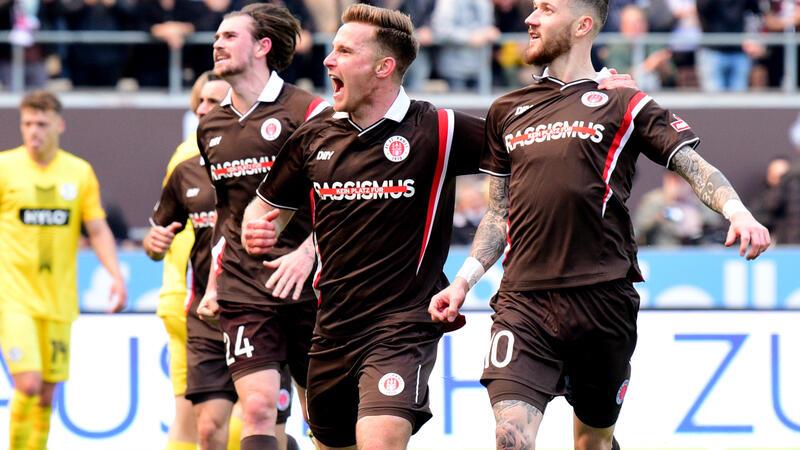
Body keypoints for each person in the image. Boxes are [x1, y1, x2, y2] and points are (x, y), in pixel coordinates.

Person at [240, 4, 636, 448]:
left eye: (344, 51)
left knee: (381, 437)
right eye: (332, 50)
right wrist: (257, 230)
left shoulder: (439, 129)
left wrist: (596, 98)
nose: (328, 61)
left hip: (402, 325)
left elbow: (539, 139)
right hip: (331, 327)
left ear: (383, 67)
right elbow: (262, 211)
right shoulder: (313, 138)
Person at [428, 0, 771, 448]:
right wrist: (463, 283)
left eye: (545, 9)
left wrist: (737, 212)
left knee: (592, 441)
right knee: (510, 437)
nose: (529, 19)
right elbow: (498, 211)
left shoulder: (623, 100)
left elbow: (691, 164)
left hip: (602, 299)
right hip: (523, 299)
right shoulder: (506, 109)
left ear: (582, 25)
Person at [195, 4, 328, 450]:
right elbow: (225, 213)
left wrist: (306, 252)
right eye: (217, 36)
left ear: (262, 46)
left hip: (309, 283)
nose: (217, 43)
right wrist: (214, 282)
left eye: (230, 36)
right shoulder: (210, 126)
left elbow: (343, 202)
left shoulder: (307, 111)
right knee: (256, 408)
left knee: (325, 418)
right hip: (244, 285)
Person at [144, 73, 301, 450]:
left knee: (262, 415)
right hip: (204, 312)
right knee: (207, 425)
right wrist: (156, 242)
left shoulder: (268, 164)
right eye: (199, 102)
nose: (203, 110)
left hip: (264, 305)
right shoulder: (185, 167)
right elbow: (157, 237)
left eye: (214, 102)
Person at [0, 90, 128, 450]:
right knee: (27, 383)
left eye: (41, 124)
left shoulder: (78, 172)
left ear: (59, 124)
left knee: (43, 394)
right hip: (13, 300)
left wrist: (116, 275)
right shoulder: (5, 168)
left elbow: (97, 228)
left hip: (58, 301)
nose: (33, 132)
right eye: (27, 124)